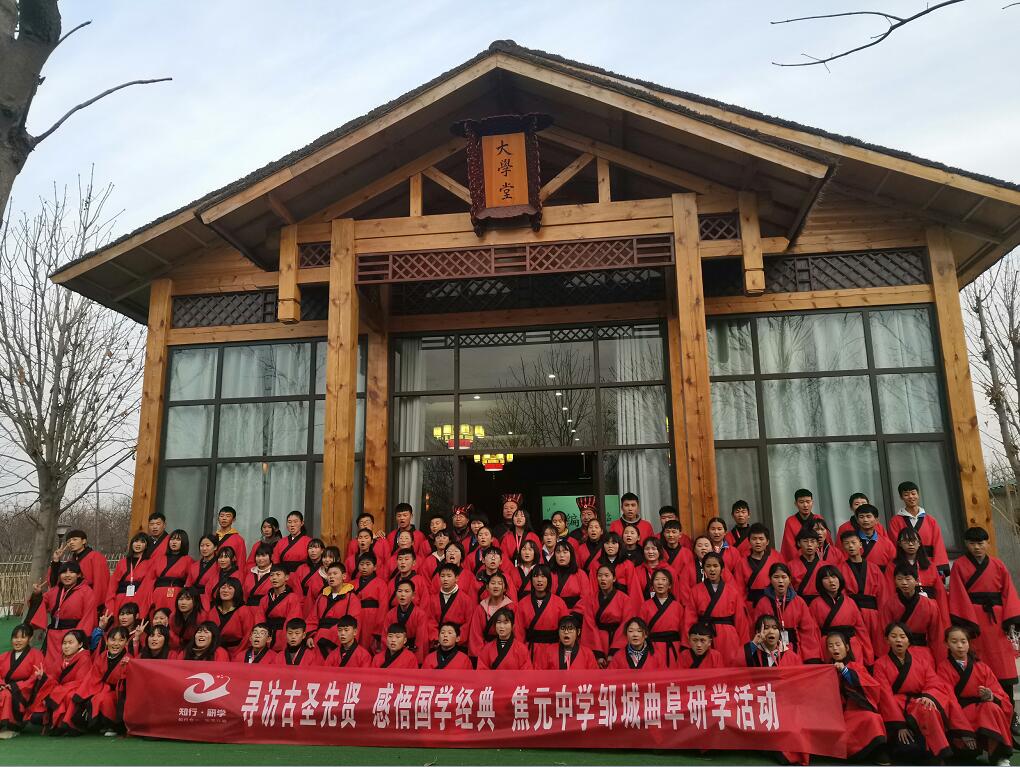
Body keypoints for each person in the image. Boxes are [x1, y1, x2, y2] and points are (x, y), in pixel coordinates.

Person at [948, 525, 1020, 734]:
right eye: (972, 544)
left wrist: (1010, 619)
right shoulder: (959, 565)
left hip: (997, 623)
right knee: (979, 667)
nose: (977, 547)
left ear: (987, 543)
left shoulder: (998, 565)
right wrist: (967, 625)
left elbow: (1009, 592)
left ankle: (1011, 715)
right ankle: (983, 715)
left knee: (1003, 669)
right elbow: (958, 593)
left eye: (980, 543)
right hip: (974, 624)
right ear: (966, 544)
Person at [872, 622, 969, 763]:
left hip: (916, 703)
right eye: (894, 636)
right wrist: (899, 725)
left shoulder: (921, 661)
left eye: (903, 637)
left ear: (909, 641)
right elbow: (885, 694)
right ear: (887, 640)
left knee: (929, 707)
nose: (899, 640)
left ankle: (939, 752)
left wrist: (928, 696)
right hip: (895, 706)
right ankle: (939, 753)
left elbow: (933, 682)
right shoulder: (880, 664)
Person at [937, 625, 1014, 766]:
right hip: (959, 713)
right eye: (954, 642)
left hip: (982, 711)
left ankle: (999, 757)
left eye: (963, 641)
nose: (960, 646)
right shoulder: (943, 668)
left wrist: (991, 696)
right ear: (946, 644)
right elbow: (949, 701)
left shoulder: (982, 667)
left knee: (992, 708)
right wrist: (965, 731)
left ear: (969, 643)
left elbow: (1001, 695)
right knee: (965, 758)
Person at [822, 631, 891, 764]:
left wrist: (845, 671)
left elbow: (870, 688)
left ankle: (878, 752)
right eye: (830, 646)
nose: (835, 648)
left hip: (854, 709)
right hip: (834, 712)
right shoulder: (825, 669)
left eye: (838, 644)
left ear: (847, 647)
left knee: (872, 718)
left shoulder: (856, 667)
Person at [26, 561, 97, 664]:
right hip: (52, 636)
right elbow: (40, 604)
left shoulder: (87, 591)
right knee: (48, 665)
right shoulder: (54, 590)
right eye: (64, 572)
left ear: (79, 575)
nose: (67, 575)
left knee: (68, 665)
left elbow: (88, 618)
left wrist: (78, 638)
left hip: (72, 636)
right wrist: (37, 595)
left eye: (71, 572)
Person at [684, 552, 748, 663]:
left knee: (729, 665)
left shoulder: (733, 591)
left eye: (715, 566)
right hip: (704, 635)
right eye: (708, 566)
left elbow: (741, 621)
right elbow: (689, 619)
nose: (712, 569)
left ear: (722, 569)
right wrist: (689, 643)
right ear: (703, 569)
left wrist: (744, 647)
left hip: (728, 636)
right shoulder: (695, 590)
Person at [26, 629, 93, 732]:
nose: (66, 646)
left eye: (70, 643)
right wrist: (43, 677)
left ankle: (64, 723)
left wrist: (58, 690)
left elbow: (80, 682)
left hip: (74, 692)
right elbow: (53, 677)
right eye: (64, 643)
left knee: (69, 696)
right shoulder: (61, 658)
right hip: (61, 691)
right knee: (36, 715)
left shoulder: (85, 658)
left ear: (80, 644)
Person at [753, 562, 821, 660]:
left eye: (784, 577)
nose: (780, 581)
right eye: (776, 577)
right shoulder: (762, 602)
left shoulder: (799, 602)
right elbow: (757, 630)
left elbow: (808, 631)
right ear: (770, 579)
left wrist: (811, 657)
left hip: (794, 649)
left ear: (789, 579)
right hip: (768, 650)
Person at [879, 563, 945, 661]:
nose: (904, 583)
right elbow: (885, 635)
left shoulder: (930, 605)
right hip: (898, 653)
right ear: (895, 581)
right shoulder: (889, 605)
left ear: (917, 581)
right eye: (899, 579)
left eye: (908, 579)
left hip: (923, 654)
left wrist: (939, 661)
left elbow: (937, 637)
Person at [810, 565, 874, 665]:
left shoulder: (851, 602)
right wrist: (816, 657)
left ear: (839, 579)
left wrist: (868, 656)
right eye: (826, 578)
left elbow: (861, 631)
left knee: (855, 672)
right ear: (820, 582)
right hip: (829, 646)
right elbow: (813, 633)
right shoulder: (815, 604)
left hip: (851, 645)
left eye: (834, 577)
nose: (831, 581)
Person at [886, 481, 950, 578]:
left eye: (913, 493)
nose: (911, 497)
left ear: (918, 494)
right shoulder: (895, 521)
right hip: (905, 566)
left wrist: (939, 567)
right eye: (906, 494)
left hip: (928, 564)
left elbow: (938, 544)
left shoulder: (930, 520)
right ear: (901, 497)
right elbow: (895, 545)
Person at [838, 530, 888, 653]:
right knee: (858, 648)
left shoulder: (874, 568)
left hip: (874, 615)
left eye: (853, 542)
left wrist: (883, 618)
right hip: (853, 614)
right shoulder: (840, 569)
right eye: (846, 543)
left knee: (878, 646)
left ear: (860, 544)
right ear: (843, 547)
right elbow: (841, 595)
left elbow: (883, 595)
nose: (850, 546)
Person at [76, 625, 131, 736]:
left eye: (121, 640)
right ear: (106, 641)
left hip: (120, 693)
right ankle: (100, 725)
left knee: (104, 699)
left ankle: (113, 726)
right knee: (96, 697)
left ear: (126, 642)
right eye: (113, 640)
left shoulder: (129, 659)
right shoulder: (102, 656)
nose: (116, 644)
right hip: (102, 688)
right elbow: (93, 677)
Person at [891, 526, 948, 621]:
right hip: (903, 608)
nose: (910, 544)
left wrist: (944, 618)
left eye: (914, 541)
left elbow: (940, 593)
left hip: (929, 609)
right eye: (906, 541)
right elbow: (889, 591)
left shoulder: (930, 565)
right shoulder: (893, 565)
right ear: (899, 544)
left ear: (919, 543)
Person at [0, 624, 45, 738]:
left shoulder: (36, 654)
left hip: (25, 690)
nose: (18, 640)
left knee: (6, 695)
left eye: (22, 637)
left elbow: (35, 677)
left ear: (30, 639)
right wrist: (2, 684)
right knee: (4, 693)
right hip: (5, 686)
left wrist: (16, 686)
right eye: (15, 637)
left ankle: (11, 727)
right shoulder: (4, 656)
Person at [307, 563, 361, 657]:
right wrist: (310, 636)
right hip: (317, 639)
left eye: (335, 573)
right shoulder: (321, 596)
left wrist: (328, 634)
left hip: (339, 639)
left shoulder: (352, 598)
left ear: (344, 576)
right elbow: (312, 618)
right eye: (329, 574)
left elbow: (353, 622)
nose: (331, 576)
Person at [517, 565, 569, 660]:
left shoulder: (559, 603)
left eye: (543, 576)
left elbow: (566, 630)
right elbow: (518, 632)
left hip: (553, 651)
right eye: (536, 576)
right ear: (531, 580)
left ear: (549, 579)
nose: (539, 580)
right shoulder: (522, 603)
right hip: (530, 651)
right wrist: (521, 653)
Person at [637, 569, 684, 666]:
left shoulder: (677, 606)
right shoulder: (645, 606)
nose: (660, 583)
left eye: (664, 579)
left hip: (673, 647)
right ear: (652, 585)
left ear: (670, 585)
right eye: (656, 579)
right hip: (653, 648)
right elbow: (641, 630)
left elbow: (683, 631)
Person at [733, 523, 784, 607]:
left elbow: (783, 583)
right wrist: (743, 607)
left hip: (772, 603)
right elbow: (739, 589)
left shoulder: (775, 560)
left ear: (767, 542)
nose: (757, 542)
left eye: (761, 539)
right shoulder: (742, 563)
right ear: (749, 541)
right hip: (751, 605)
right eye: (754, 539)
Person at [382, 580, 432, 664]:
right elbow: (385, 637)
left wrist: (418, 661)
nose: (402, 594)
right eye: (399, 591)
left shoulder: (420, 614)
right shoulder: (390, 614)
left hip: (412, 652)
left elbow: (421, 640)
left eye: (407, 591)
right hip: (393, 652)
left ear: (413, 595)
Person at [48, 529, 109, 599]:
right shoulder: (71, 561)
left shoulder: (96, 557)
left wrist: (96, 603)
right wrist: (56, 560)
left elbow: (101, 584)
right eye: (68, 541)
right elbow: (57, 582)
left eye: (75, 539)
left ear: (84, 541)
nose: (71, 543)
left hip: (89, 599)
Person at [588, 564, 629, 667]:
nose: (603, 578)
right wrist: (598, 654)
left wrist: (614, 651)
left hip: (617, 639)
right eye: (600, 576)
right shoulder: (591, 599)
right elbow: (590, 625)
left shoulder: (624, 599)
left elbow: (625, 625)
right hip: (599, 640)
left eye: (606, 575)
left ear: (614, 578)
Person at [469, 571, 516, 658]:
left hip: (508, 650)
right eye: (493, 583)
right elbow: (476, 634)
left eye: (500, 583)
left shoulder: (512, 607)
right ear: (487, 587)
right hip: (486, 651)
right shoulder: (480, 608)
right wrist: (482, 656)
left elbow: (516, 632)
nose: (496, 586)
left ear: (505, 589)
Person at [428, 564, 474, 650]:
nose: (445, 579)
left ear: (456, 578)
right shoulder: (433, 599)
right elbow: (430, 621)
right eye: (442, 576)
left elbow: (468, 623)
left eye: (449, 576)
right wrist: (436, 638)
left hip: (458, 644)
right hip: (438, 642)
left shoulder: (466, 599)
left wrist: (457, 639)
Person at [260, 564, 304, 651]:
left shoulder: (293, 598)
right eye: (271, 575)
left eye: (278, 574)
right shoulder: (264, 599)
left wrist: (285, 641)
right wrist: (263, 637)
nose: (274, 578)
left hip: (283, 636)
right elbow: (260, 620)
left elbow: (292, 622)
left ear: (286, 577)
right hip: (267, 636)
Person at [149, 529, 192, 614]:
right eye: (172, 539)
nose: (174, 542)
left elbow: (189, 582)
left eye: (178, 540)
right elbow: (150, 580)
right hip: (158, 594)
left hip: (176, 594)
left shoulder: (188, 560)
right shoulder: (159, 559)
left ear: (184, 542)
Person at [352, 552, 387, 652]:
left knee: (370, 645)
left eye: (368, 564)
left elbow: (383, 607)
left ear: (375, 567)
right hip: (356, 616)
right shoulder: (352, 584)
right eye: (361, 564)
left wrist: (379, 629)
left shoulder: (381, 583)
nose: (364, 567)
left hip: (372, 617)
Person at [780, 489, 824, 562]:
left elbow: (825, 542)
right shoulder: (790, 521)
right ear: (796, 503)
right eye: (801, 502)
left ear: (812, 502)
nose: (805, 505)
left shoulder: (818, 519)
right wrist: (803, 559)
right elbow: (790, 547)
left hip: (818, 558)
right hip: (798, 561)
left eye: (808, 502)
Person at [851, 504, 896, 571]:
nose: (865, 520)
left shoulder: (887, 543)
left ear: (876, 520)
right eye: (861, 517)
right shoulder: (850, 541)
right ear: (857, 520)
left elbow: (893, 567)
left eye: (868, 516)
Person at [787, 528, 825, 605]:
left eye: (812, 541)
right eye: (805, 541)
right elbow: (788, 588)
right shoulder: (790, 565)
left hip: (821, 603)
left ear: (818, 544)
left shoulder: (825, 565)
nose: (809, 544)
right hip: (798, 603)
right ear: (798, 543)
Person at [189, 535, 220, 607]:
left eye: (207, 545)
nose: (204, 548)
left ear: (215, 547)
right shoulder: (194, 565)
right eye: (202, 545)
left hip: (210, 600)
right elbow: (188, 584)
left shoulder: (219, 565)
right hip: (193, 599)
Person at [243, 543, 274, 609]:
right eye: (258, 556)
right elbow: (244, 595)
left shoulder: (275, 573)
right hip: (249, 609)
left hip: (268, 608)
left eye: (263, 555)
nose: (260, 558)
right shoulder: (250, 573)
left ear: (271, 556)